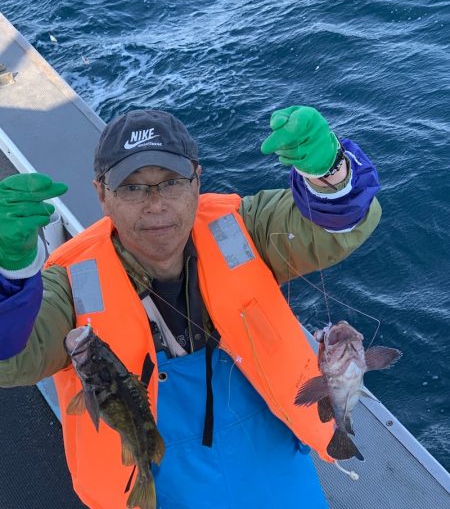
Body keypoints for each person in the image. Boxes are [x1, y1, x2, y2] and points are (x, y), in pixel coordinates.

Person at [0, 106, 381, 509]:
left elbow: (333, 228)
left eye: (171, 183)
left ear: (197, 182)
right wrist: (9, 272)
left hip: (276, 470)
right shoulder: (70, 285)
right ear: (101, 195)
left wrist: (331, 172)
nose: (155, 204)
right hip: (155, 486)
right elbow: (12, 355)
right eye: (132, 187)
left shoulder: (244, 228)